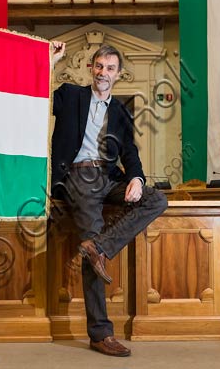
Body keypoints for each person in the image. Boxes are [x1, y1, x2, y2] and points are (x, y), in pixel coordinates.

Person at [50, 41, 168, 357]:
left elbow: (129, 151)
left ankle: (100, 247)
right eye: (99, 66)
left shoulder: (120, 111)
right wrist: (48, 61)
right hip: (78, 176)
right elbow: (36, 96)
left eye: (110, 68)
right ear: (92, 69)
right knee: (90, 237)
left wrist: (137, 179)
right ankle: (101, 334)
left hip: (109, 176)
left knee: (157, 200)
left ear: (118, 74)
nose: (103, 72)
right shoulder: (70, 95)